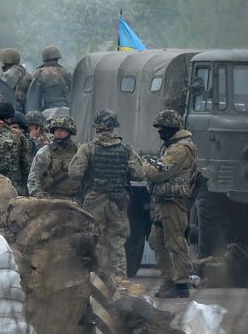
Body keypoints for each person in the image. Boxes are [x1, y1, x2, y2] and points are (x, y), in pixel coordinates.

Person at [68, 109, 145, 280]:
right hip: (118, 202)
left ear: (97, 127)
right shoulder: (127, 149)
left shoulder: (87, 148)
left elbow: (74, 173)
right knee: (117, 243)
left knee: (95, 241)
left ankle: (97, 281)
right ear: (114, 128)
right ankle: (119, 283)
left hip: (94, 202)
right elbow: (139, 174)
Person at [141, 108, 198, 298]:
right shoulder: (171, 146)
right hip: (163, 202)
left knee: (175, 242)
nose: (159, 132)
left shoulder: (181, 148)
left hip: (173, 202)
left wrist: (146, 165)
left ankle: (181, 284)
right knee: (156, 241)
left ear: (171, 128)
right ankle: (168, 281)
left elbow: (159, 172)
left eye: (162, 128)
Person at [27, 115, 81, 201]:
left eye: (62, 130)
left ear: (70, 131)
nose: (58, 132)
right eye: (56, 129)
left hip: (74, 200)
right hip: (51, 201)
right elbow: (34, 177)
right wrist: (39, 196)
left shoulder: (79, 151)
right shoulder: (45, 151)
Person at [26, 44, 71, 117]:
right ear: (57, 58)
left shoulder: (38, 74)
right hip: (65, 111)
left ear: (44, 59)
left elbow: (32, 95)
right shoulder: (65, 73)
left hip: (46, 112)